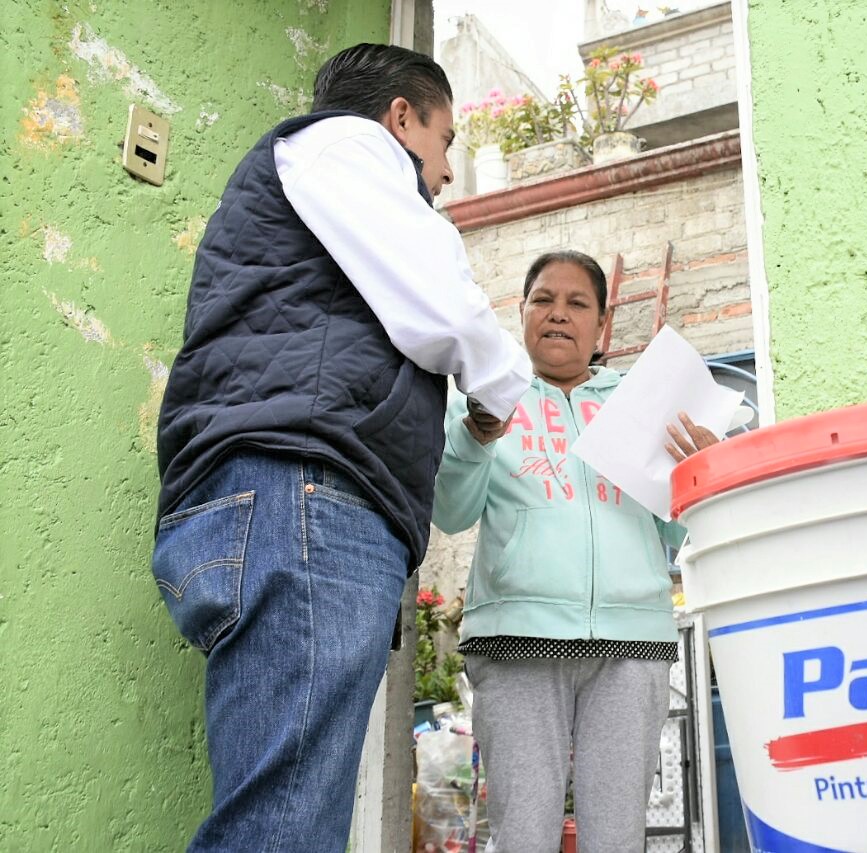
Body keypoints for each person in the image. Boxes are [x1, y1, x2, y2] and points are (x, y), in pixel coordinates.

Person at [151, 44, 530, 852]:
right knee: (285, 825)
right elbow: (448, 307)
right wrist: (499, 392)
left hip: (278, 499)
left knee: (286, 814)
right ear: (401, 115)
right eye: (446, 140)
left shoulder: (310, 175)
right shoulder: (346, 145)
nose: (448, 172)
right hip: (306, 495)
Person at [433, 250, 718, 852]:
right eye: (544, 300)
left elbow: (675, 530)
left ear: (600, 324)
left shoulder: (642, 404)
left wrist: (706, 472)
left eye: (577, 303)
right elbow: (452, 513)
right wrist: (474, 438)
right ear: (523, 312)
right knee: (524, 834)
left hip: (630, 643)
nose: (558, 314)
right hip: (517, 640)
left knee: (617, 837)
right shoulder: (486, 399)